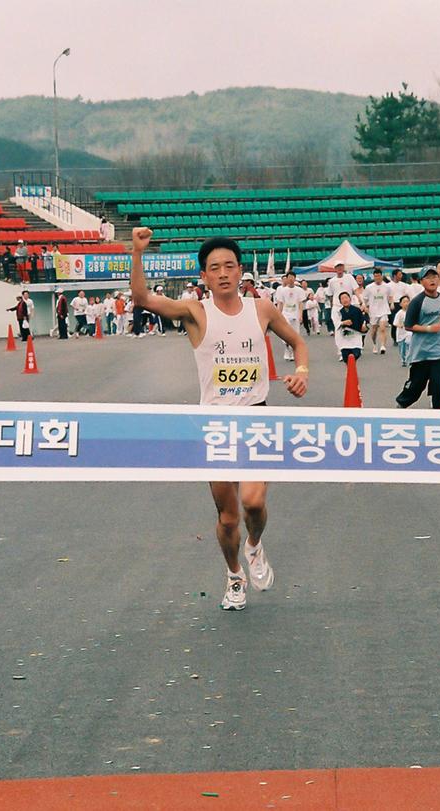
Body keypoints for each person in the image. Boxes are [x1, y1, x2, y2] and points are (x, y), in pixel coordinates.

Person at [129, 228, 308, 612]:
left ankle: (255, 546)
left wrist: (303, 371)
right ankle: (233, 576)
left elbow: (297, 342)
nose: (223, 273)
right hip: (214, 425)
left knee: (254, 503)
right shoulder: (195, 312)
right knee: (228, 517)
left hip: (255, 417)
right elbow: (142, 298)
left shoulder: (262, 309)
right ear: (204, 277)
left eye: (230, 265)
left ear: (241, 271)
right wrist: (137, 253)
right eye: (215, 268)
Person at [396, 267, 440, 408]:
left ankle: (437, 414)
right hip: (422, 353)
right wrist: (429, 328)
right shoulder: (417, 302)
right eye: (428, 278)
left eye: (434, 277)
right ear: (422, 281)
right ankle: (400, 406)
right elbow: (408, 325)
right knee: (415, 387)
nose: (432, 280)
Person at [272, 271, 306, 361]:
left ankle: (293, 351)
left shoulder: (299, 290)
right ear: (286, 279)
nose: (291, 279)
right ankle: (287, 350)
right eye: (289, 277)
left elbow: (300, 303)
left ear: (295, 278)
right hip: (285, 314)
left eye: (292, 277)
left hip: (295, 314)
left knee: (295, 334)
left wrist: (300, 315)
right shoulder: (282, 290)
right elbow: (280, 304)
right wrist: (278, 316)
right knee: (286, 333)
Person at [363, 268, 393, 354]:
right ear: (373, 277)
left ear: (381, 276)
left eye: (379, 276)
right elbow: (365, 299)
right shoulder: (369, 287)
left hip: (384, 310)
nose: (377, 278)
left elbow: (390, 296)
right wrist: (366, 307)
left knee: (383, 328)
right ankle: (374, 344)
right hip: (373, 311)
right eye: (375, 276)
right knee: (374, 331)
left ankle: (383, 346)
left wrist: (391, 304)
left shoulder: (387, 286)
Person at [334, 291, 367, 363]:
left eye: (346, 297)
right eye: (342, 299)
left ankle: (352, 370)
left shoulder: (357, 310)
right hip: (344, 339)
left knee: (356, 354)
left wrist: (364, 327)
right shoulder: (338, 312)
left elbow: (363, 321)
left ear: (350, 299)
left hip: (355, 337)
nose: (345, 300)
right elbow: (336, 322)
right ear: (340, 302)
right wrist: (343, 322)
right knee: (346, 358)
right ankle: (350, 372)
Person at [392, 294, 411, 366]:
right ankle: (403, 359)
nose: (406, 303)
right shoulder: (399, 313)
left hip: (409, 333)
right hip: (401, 334)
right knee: (402, 348)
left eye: (407, 301)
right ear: (400, 304)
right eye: (404, 302)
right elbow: (395, 323)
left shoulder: (411, 312)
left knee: (408, 345)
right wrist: (400, 325)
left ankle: (408, 359)